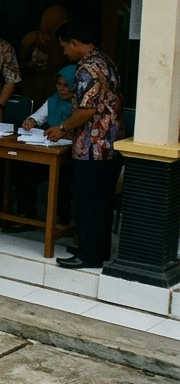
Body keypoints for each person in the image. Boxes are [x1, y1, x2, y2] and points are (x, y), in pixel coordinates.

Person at [52, 22, 124, 270]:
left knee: (88, 201)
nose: (64, 53)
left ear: (74, 42)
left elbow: (87, 109)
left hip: (93, 145)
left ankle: (88, 254)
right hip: (111, 143)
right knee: (101, 202)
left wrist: (61, 128)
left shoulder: (86, 70)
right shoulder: (106, 61)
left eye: (64, 47)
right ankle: (97, 248)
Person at [20, 5, 70, 106]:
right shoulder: (32, 39)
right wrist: (28, 66)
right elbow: (19, 64)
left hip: (56, 93)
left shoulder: (66, 44)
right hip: (32, 91)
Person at [22, 66, 77, 131]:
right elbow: (39, 116)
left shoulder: (84, 104)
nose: (61, 89)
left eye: (66, 85)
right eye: (59, 84)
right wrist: (31, 121)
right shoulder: (54, 100)